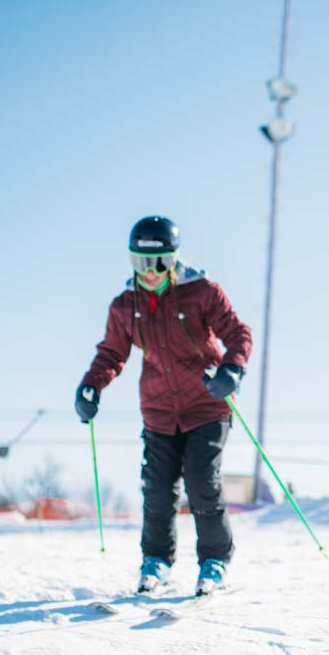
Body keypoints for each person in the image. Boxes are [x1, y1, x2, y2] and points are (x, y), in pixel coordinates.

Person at [75, 216, 252, 596]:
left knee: (202, 483)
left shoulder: (203, 291)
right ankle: (156, 560)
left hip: (207, 404)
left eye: (160, 263)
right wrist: (91, 386)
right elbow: (111, 354)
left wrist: (232, 370)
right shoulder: (125, 306)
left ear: (174, 260)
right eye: (141, 263)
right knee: (156, 490)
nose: (151, 273)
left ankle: (214, 561)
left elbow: (237, 333)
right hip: (158, 411)